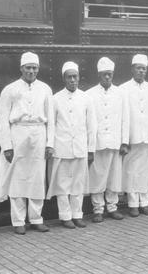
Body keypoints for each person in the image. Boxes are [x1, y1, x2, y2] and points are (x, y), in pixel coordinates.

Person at [0, 52, 54, 235]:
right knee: (17, 179)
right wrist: (7, 146)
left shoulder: (45, 89)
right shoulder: (10, 89)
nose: (31, 71)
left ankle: (36, 219)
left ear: (38, 69)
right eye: (28, 67)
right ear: (21, 68)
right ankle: (18, 221)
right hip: (18, 134)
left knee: (37, 177)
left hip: (39, 134)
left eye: (34, 68)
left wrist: (49, 143)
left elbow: (51, 119)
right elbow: (1, 119)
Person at [47, 62, 97, 228]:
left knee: (78, 184)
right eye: (69, 77)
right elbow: (52, 126)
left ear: (79, 78)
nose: (73, 80)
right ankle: (65, 216)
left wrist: (90, 149)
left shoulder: (86, 98)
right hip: (62, 148)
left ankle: (77, 215)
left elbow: (92, 126)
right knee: (62, 185)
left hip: (80, 148)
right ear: (64, 79)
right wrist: (51, 146)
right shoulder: (55, 99)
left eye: (75, 77)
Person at [120, 54, 148, 216]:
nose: (141, 71)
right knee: (131, 171)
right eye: (138, 68)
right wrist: (125, 140)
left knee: (146, 171)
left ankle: (144, 202)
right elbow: (123, 117)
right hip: (133, 138)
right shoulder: (124, 89)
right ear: (132, 69)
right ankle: (132, 204)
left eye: (143, 68)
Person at [86, 57, 127, 222]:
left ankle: (112, 207)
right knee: (97, 176)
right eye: (104, 74)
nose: (107, 77)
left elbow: (125, 119)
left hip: (115, 142)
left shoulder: (120, 93)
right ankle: (98, 209)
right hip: (98, 143)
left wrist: (124, 141)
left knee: (114, 176)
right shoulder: (89, 94)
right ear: (99, 75)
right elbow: (89, 123)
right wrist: (90, 146)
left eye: (110, 74)